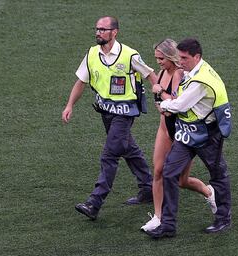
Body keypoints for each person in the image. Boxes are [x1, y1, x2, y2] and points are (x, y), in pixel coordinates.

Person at [62, 16, 157, 221]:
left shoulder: (130, 55)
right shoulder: (92, 53)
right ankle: (148, 188)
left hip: (125, 112)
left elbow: (150, 75)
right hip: (106, 112)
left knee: (110, 154)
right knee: (128, 148)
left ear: (115, 32)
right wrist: (70, 105)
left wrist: (159, 95)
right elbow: (81, 81)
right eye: (97, 29)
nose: (98, 32)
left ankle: (94, 202)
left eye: (103, 30)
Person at [145, 38, 233, 239]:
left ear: (197, 57)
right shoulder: (192, 71)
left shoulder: (200, 82)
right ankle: (167, 225)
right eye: (179, 57)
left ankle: (223, 219)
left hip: (208, 135)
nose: (180, 61)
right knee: (169, 173)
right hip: (187, 132)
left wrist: (162, 105)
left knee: (218, 176)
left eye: (184, 58)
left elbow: (180, 105)